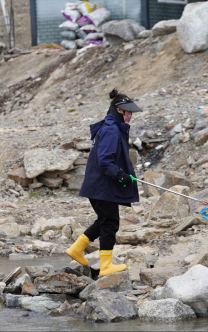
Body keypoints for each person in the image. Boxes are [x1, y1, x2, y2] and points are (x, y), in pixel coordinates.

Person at [66, 88, 142, 276]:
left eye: (132, 111)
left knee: (104, 220)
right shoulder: (111, 129)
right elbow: (105, 161)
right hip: (101, 186)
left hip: (99, 185)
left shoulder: (112, 127)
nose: (131, 115)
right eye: (129, 111)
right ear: (119, 110)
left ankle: (76, 249)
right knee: (110, 223)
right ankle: (106, 266)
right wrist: (121, 175)